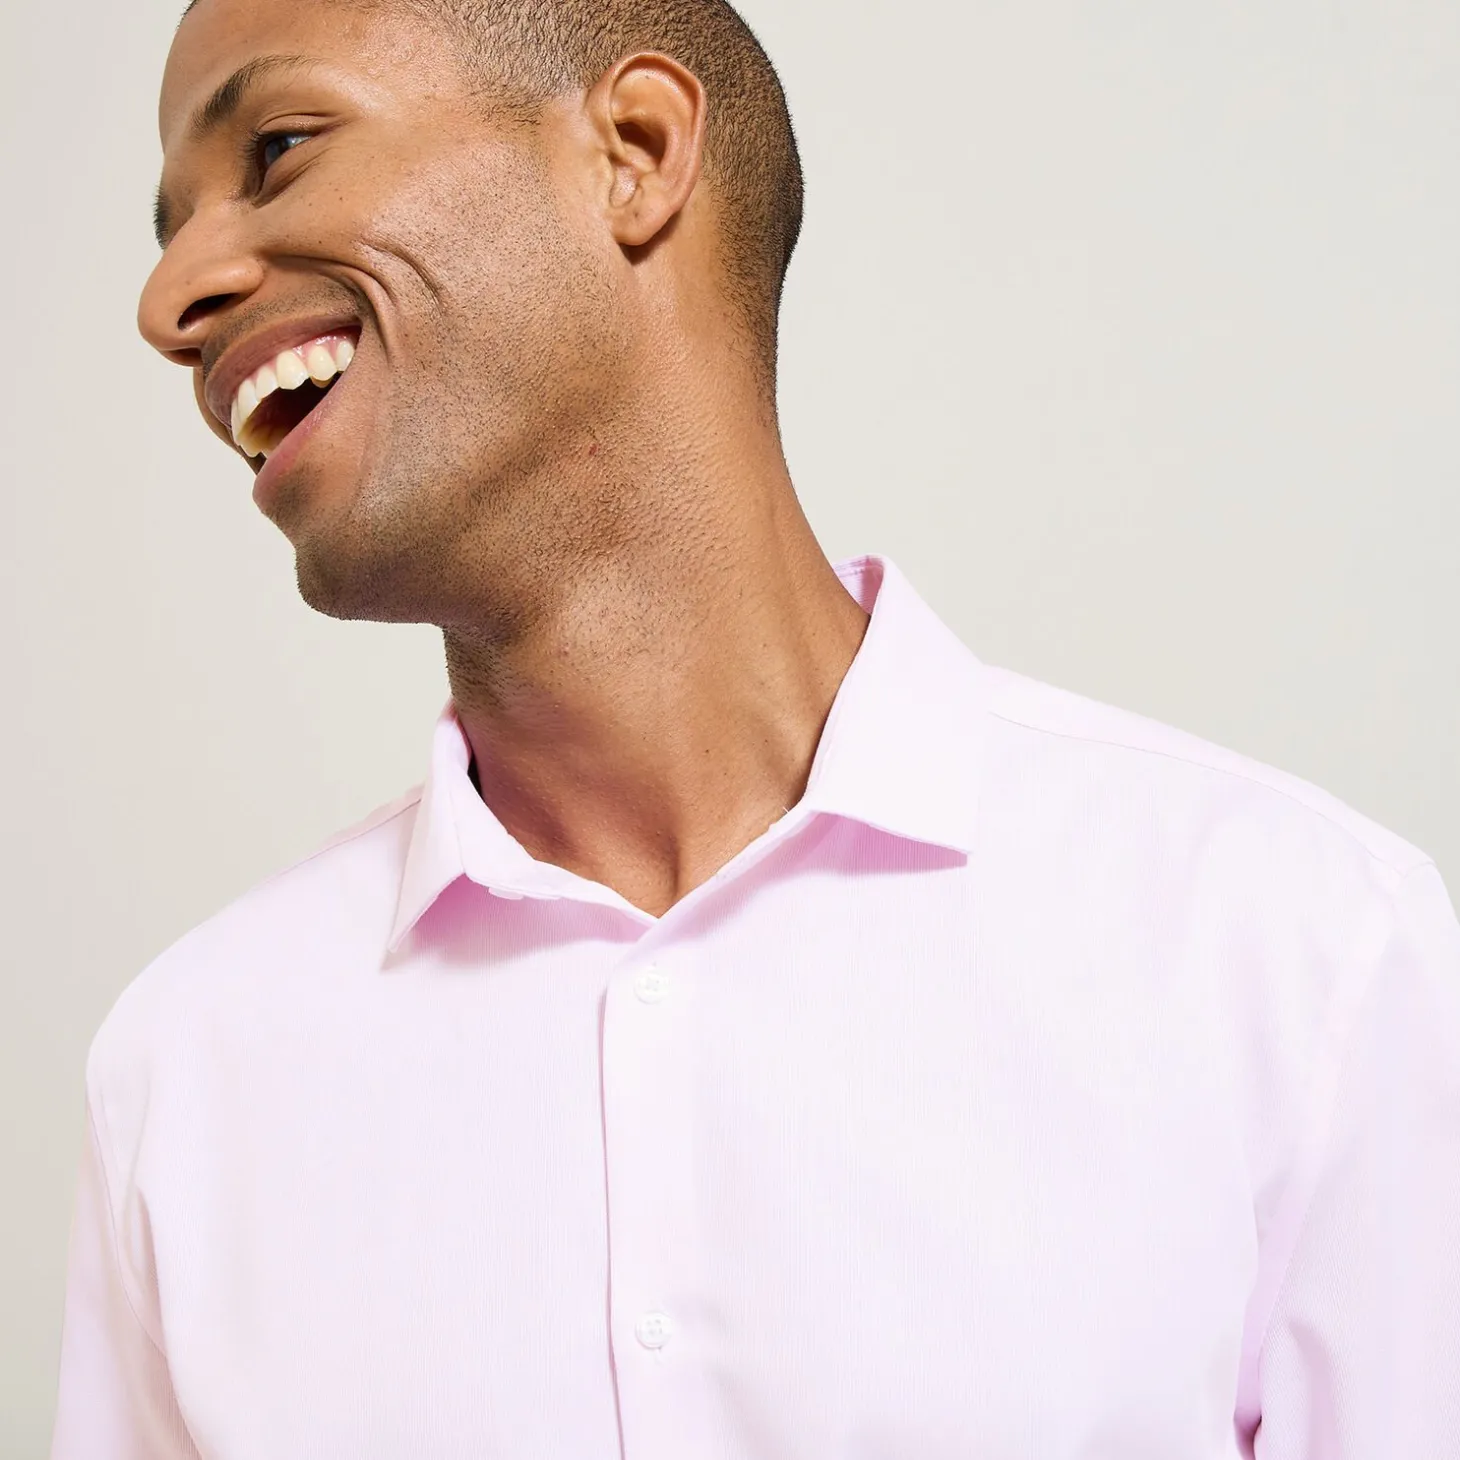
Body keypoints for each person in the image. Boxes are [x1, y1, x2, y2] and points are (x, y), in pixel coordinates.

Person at [49, 0, 1460, 1454]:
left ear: (635, 149)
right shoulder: (187, 1078)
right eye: (170, 226)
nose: (168, 302)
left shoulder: (1299, 958)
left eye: (278, 149)